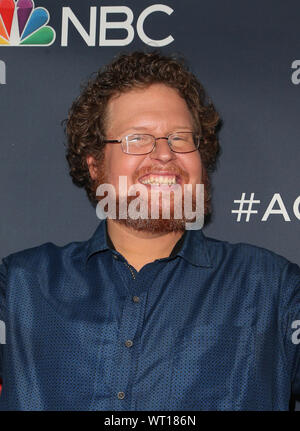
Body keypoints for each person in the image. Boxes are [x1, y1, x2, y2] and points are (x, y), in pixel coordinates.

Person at [0, 51, 299, 411]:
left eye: (180, 138)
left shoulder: (272, 288)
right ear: (94, 164)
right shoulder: (20, 287)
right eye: (137, 139)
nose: (163, 154)